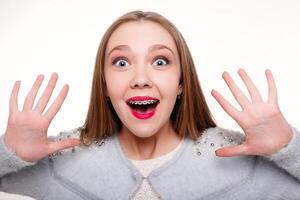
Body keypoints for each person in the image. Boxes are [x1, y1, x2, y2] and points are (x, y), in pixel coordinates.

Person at [0, 10, 299, 200]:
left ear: (181, 82)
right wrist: (9, 154)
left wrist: (288, 147)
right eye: (121, 62)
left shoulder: (239, 163)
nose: (140, 78)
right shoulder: (61, 160)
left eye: (160, 61)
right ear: (104, 85)